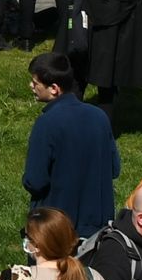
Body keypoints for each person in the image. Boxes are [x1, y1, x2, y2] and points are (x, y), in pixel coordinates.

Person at [22, 56, 116, 247]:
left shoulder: (48, 122)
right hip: (95, 230)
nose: (31, 86)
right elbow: (114, 169)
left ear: (54, 88)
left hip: (55, 228)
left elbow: (35, 180)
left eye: (35, 83)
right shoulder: (99, 116)